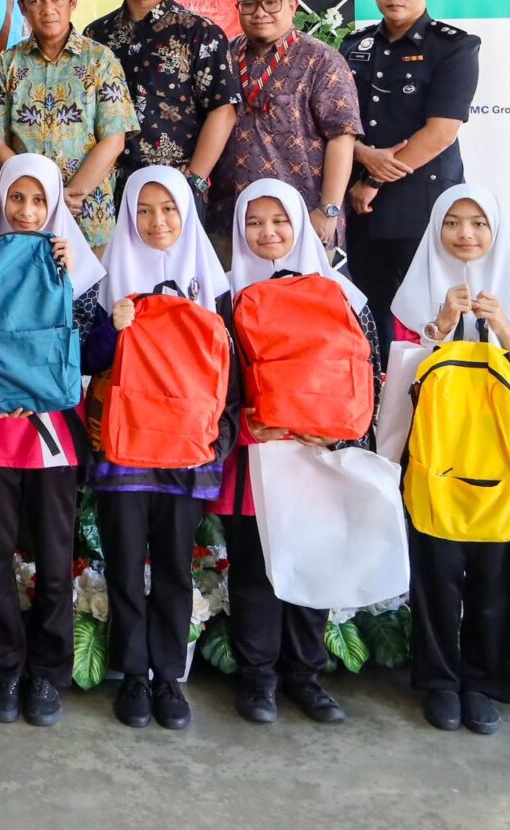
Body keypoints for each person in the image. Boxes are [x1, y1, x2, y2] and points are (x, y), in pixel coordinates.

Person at [210, 179, 382, 727]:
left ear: (301, 225)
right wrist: (245, 426)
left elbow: (366, 370)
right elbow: (213, 379)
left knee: (310, 559)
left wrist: (340, 435)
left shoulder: (342, 293)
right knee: (257, 570)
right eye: (254, 223)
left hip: (316, 454)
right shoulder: (224, 294)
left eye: (279, 221)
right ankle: (258, 677)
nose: (268, 233)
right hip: (255, 453)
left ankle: (306, 675)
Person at [387, 184, 510, 736]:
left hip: (502, 461)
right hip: (436, 458)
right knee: (436, 576)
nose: (465, 235)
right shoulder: (412, 297)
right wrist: (440, 328)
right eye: (453, 222)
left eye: (478, 223)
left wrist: (507, 332)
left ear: (495, 230)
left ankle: (484, 683)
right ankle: (439, 683)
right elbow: (398, 378)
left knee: (496, 578)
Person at [89, 166, 240, 732]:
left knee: (175, 568)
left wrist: (216, 442)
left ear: (186, 214)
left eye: (169, 209)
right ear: (129, 214)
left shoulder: (211, 284)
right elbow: (88, 363)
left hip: (185, 453)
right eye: (145, 210)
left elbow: (232, 375)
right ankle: (132, 676)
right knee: (126, 566)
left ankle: (168, 679)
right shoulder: (108, 279)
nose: (157, 222)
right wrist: (113, 328)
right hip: (125, 451)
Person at [0, 154, 107, 728]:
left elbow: (95, 352)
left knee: (54, 557)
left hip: (53, 432)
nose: (26, 212)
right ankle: (3, 672)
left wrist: (70, 277)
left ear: (55, 206)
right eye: (16, 199)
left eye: (39, 201)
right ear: (1, 200)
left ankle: (46, 675)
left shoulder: (72, 265)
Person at [340, 0, 481, 360]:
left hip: (423, 203)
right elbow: (341, 122)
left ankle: (433, 407)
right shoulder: (354, 45)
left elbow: (441, 132)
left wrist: (372, 180)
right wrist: (363, 158)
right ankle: (380, 411)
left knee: (433, 314)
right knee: (371, 312)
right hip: (364, 211)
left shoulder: (454, 47)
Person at [0, 0, 137, 249]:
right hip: (26, 217)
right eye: (36, 1)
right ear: (22, 7)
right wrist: (38, 196)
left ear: (72, 1)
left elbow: (114, 138)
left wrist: (69, 195)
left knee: (90, 294)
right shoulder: (7, 64)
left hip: (87, 216)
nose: (47, 9)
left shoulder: (101, 60)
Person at [210, 0, 363, 254]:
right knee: (233, 300)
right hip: (228, 220)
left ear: (293, 6)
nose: (260, 12)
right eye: (249, 4)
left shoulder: (322, 61)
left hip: (300, 221)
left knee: (300, 299)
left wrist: (328, 210)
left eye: (272, 2)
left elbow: (342, 136)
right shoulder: (224, 57)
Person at [83, 0, 240, 201]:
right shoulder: (96, 35)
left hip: (173, 190)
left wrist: (194, 181)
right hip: (104, 190)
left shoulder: (201, 32)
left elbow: (222, 110)